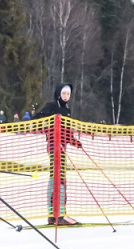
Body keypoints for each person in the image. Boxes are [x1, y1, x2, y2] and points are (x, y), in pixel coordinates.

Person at [32, 83, 82, 226]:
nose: (66, 96)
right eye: (64, 93)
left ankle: (60, 212)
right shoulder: (52, 106)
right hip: (54, 146)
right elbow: (37, 119)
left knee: (61, 179)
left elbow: (67, 132)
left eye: (68, 94)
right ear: (59, 94)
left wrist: (74, 141)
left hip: (63, 147)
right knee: (57, 179)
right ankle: (54, 215)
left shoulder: (67, 110)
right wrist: (48, 130)